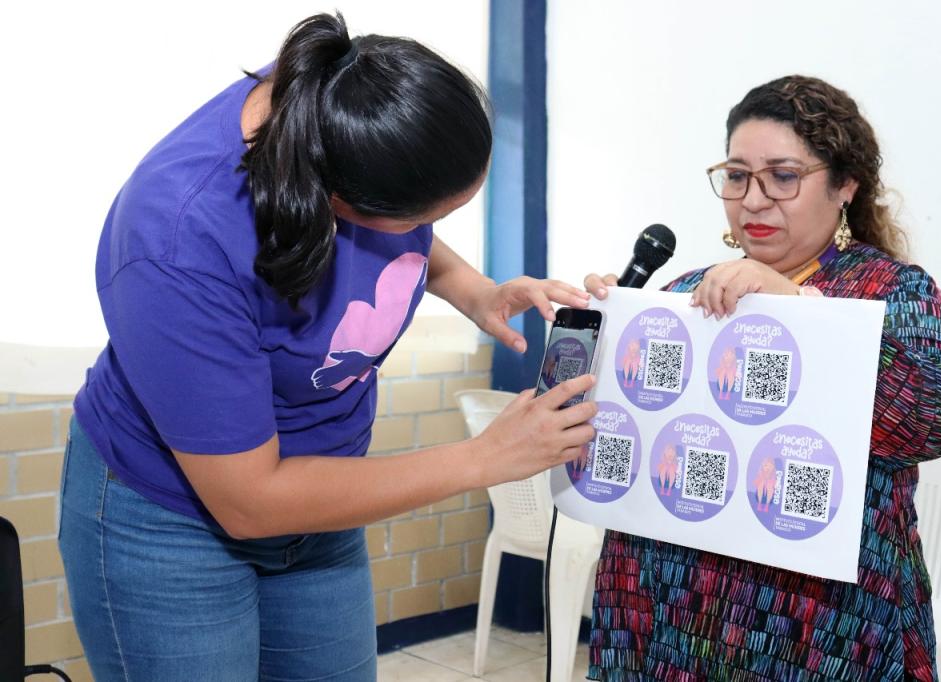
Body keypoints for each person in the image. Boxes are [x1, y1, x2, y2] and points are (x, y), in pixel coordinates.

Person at [58, 12, 597, 681]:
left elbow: (405, 232)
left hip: (318, 503)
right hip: (172, 518)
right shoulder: (177, 240)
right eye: (424, 218)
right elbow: (251, 500)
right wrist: (484, 458)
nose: (428, 231)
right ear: (337, 199)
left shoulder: (338, 98)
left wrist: (476, 292)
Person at [584, 75, 941, 681]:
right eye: (737, 176)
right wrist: (602, 340)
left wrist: (799, 309)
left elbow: (936, 420)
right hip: (666, 615)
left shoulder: (891, 291)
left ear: (844, 185)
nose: (753, 200)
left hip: (820, 629)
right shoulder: (686, 294)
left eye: (783, 176)